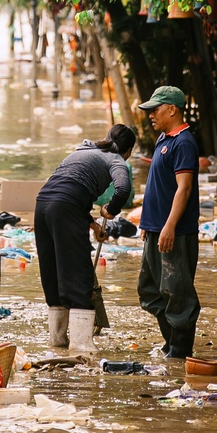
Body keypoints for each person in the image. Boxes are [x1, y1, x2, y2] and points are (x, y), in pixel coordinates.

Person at [33, 125, 136, 351]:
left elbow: (65, 190)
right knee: (78, 274)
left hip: (42, 206)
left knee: (52, 272)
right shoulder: (116, 159)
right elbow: (123, 188)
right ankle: (81, 346)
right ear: (128, 151)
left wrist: (92, 223)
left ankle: (57, 343)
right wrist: (111, 209)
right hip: (66, 207)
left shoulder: (79, 152)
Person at [135, 86, 203, 362]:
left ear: (172, 109)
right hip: (154, 228)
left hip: (174, 231)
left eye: (156, 109)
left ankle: (180, 352)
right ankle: (172, 342)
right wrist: (148, 224)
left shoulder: (184, 142)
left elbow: (183, 189)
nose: (151, 115)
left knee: (177, 291)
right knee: (149, 290)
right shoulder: (164, 139)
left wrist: (170, 226)